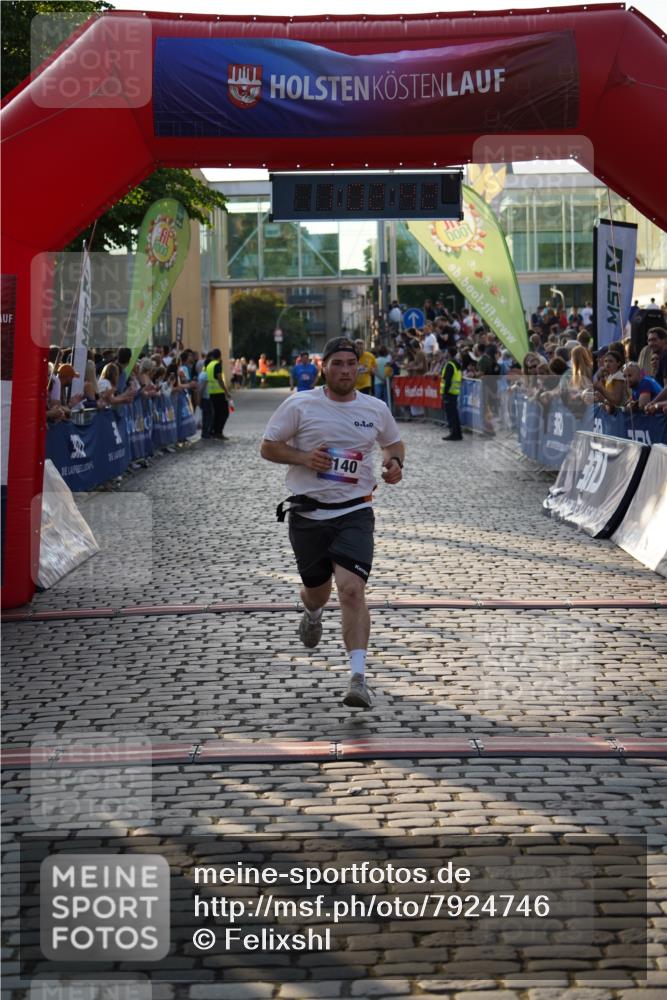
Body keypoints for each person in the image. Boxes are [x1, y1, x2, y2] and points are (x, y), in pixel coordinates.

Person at [260, 336, 405, 710]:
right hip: (308, 513)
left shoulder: (375, 407)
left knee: (352, 589)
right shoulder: (300, 404)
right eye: (336, 363)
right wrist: (306, 457)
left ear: (360, 367)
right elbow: (268, 446)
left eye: (350, 363)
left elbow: (393, 442)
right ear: (323, 366)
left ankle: (358, 678)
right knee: (318, 591)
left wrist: (394, 463)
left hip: (355, 511)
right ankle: (311, 612)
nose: (344, 370)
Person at [206, 348, 230, 439]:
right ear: (220, 356)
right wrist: (226, 391)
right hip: (219, 392)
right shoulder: (217, 364)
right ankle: (218, 432)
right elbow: (219, 378)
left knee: (215, 413)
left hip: (211, 393)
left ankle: (213, 431)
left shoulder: (209, 365)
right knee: (224, 413)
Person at [440, 346, 463, 441]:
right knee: (454, 414)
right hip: (454, 392)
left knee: (451, 415)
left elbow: (447, 380)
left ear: (449, 353)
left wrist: (445, 393)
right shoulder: (457, 364)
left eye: (446, 352)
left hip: (449, 393)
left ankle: (453, 433)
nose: (445, 353)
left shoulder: (450, 365)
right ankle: (458, 433)